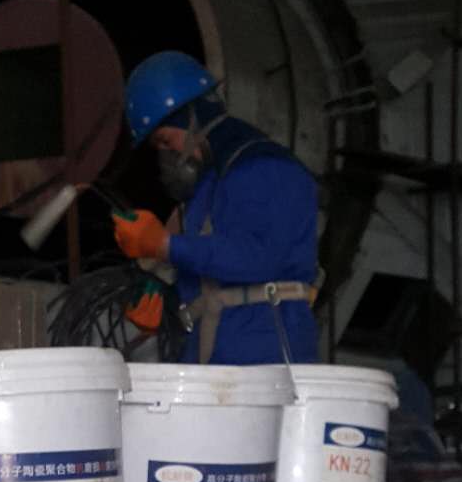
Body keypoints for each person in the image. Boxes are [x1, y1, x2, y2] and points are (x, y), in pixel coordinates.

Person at [112, 51, 319, 366]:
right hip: (215, 360)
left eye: (166, 141)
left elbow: (259, 257)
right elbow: (208, 273)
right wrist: (163, 298)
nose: (167, 156)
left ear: (193, 117)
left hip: (267, 357)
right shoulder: (210, 185)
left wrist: (167, 246)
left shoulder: (266, 167)